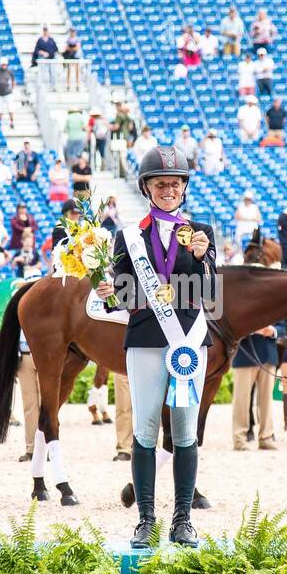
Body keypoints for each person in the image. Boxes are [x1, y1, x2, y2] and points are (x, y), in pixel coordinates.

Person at [96, 146, 217, 547]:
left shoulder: (201, 233)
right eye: (161, 183)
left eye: (175, 183)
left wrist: (202, 260)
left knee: (184, 429)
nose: (169, 189)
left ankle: (183, 519)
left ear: (184, 188)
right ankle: (146, 518)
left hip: (189, 341)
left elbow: (210, 292)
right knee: (145, 427)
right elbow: (122, 297)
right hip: (146, 340)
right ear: (147, 187)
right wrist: (111, 291)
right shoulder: (127, 237)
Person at [232, 320, 279, 452]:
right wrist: (253, 328)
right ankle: (239, 438)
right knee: (241, 399)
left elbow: (284, 325)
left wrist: (273, 331)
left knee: (267, 400)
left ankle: (266, 437)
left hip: (269, 354)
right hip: (245, 353)